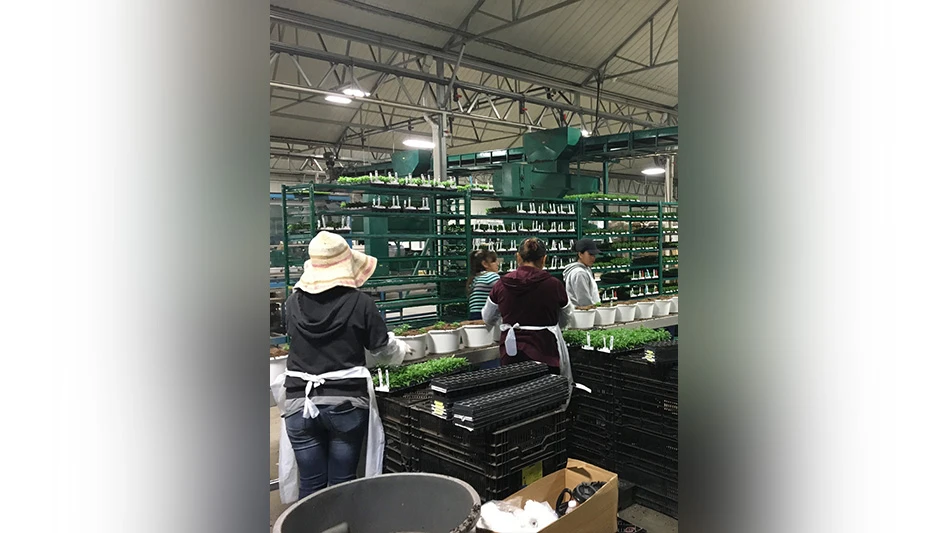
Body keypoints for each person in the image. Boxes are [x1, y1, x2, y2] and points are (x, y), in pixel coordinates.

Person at [273, 231, 411, 501]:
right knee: (341, 483)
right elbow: (381, 349)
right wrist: (402, 351)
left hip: (299, 402)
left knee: (311, 484)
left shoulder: (293, 302)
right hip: (345, 404)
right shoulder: (361, 303)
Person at [482, 238, 574, 377]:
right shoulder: (553, 285)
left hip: (511, 352)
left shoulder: (501, 285)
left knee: (516, 391)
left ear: (518, 257)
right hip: (545, 350)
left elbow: (488, 317)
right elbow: (567, 316)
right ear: (544, 259)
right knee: (546, 391)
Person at [563, 238, 602, 307]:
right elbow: (584, 301)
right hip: (583, 314)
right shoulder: (579, 273)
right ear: (580, 254)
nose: (593, 258)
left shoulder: (585, 269)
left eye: (594, 255)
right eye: (590, 254)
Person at [467, 246, 500, 320]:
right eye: (494, 261)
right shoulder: (491, 276)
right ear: (485, 264)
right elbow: (505, 291)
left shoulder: (474, 279)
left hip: (473, 316)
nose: (497, 263)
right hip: (485, 317)